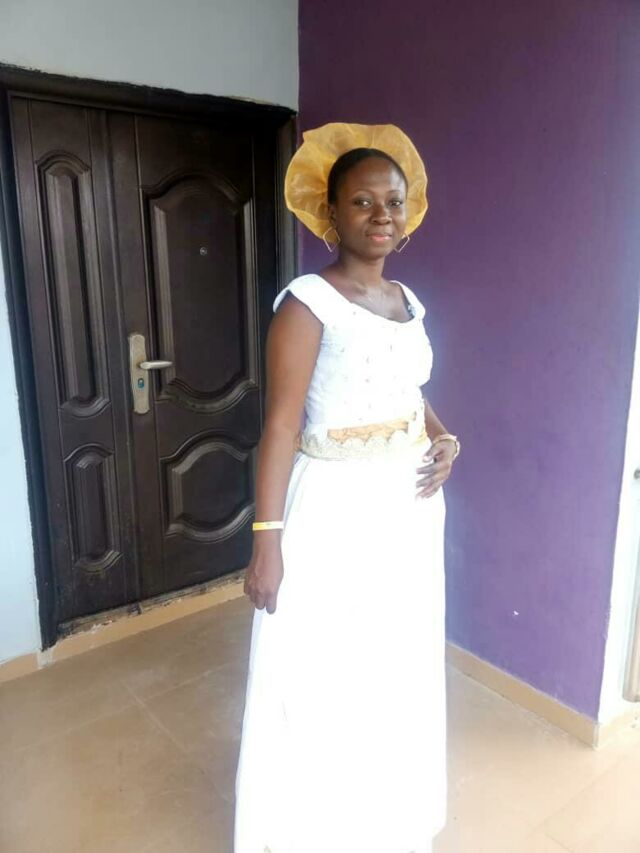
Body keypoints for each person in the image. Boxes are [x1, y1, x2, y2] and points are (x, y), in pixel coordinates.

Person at [234, 122, 460, 853]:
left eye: (392, 200)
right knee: (326, 670)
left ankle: (382, 822)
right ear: (330, 212)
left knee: (392, 665)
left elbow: (407, 389)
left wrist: (444, 437)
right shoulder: (307, 302)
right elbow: (279, 425)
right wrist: (266, 543)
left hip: (409, 509)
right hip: (334, 508)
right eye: (362, 201)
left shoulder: (408, 299)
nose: (381, 214)